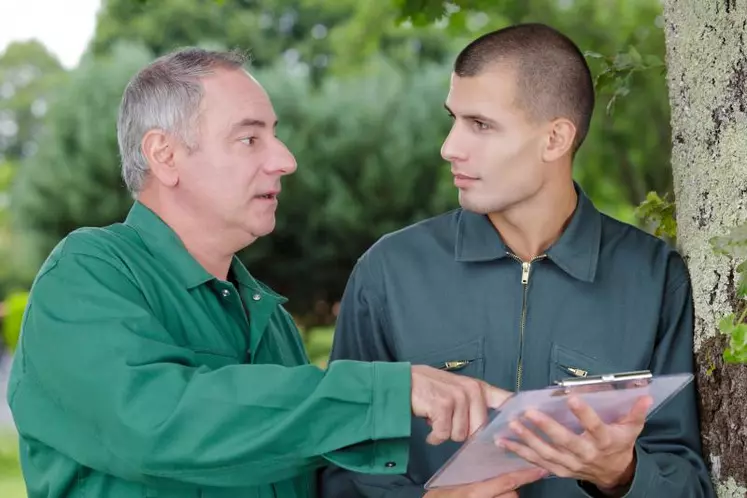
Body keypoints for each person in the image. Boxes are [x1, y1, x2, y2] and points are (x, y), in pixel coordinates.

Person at [5, 48, 529, 498]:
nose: (285, 159)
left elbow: (308, 473)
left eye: (274, 136)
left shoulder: (267, 318)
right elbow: (157, 422)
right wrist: (388, 392)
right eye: (250, 139)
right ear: (164, 156)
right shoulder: (90, 274)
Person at [320, 23, 715, 498]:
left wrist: (621, 473)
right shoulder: (388, 272)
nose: (449, 147)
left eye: (480, 125)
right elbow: (338, 471)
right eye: (454, 119)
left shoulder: (654, 277)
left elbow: (688, 481)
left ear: (555, 139)